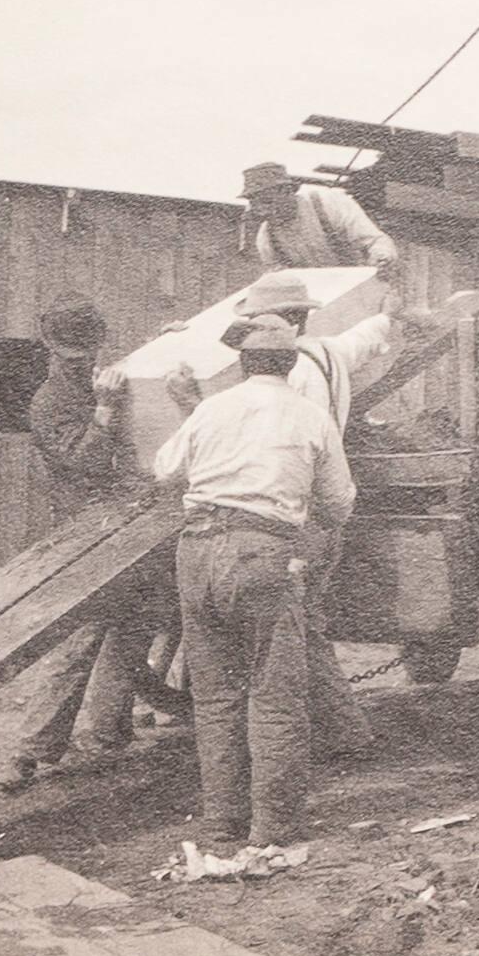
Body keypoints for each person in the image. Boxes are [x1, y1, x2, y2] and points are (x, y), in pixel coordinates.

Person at [154, 314, 356, 848]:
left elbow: (164, 469)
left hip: (195, 551)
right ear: (291, 364)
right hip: (263, 554)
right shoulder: (311, 416)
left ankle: (221, 822)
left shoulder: (212, 409)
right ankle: (273, 827)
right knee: (275, 694)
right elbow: (339, 501)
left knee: (216, 695)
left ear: (244, 362)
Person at [0, 294, 181, 793]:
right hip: (90, 530)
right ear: (51, 347)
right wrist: (103, 411)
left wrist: (173, 345)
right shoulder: (49, 402)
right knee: (81, 641)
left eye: (88, 349)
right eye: (71, 354)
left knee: (135, 627)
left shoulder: (110, 374)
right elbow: (83, 462)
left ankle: (107, 731)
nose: (81, 360)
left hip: (138, 521)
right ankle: (31, 750)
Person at [240, 162, 398, 272]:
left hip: (356, 287)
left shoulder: (328, 204)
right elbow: (275, 274)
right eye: (256, 205)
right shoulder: (267, 236)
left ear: (287, 192)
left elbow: (375, 241)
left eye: (267, 202)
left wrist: (381, 257)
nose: (262, 211)